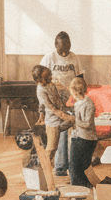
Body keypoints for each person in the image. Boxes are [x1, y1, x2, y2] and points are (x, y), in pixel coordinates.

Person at [40, 33, 83, 173]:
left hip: (71, 98)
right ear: (55, 45)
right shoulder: (49, 58)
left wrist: (81, 94)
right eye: (62, 46)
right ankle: (60, 165)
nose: (65, 50)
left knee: (72, 131)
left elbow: (79, 77)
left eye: (68, 45)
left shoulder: (74, 57)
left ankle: (71, 163)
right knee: (58, 131)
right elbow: (41, 82)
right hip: (55, 99)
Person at [34, 65, 74, 178]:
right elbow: (53, 109)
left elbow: (61, 95)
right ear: (37, 80)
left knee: (69, 142)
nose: (50, 79)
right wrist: (69, 118)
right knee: (51, 148)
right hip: (54, 121)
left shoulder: (50, 83)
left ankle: (64, 168)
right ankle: (41, 172)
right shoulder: (41, 90)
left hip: (62, 116)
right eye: (46, 78)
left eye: (50, 75)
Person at [67, 77, 98, 188]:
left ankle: (78, 187)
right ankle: (82, 186)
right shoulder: (78, 103)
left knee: (76, 167)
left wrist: (74, 120)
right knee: (77, 166)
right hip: (79, 137)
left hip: (86, 139)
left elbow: (87, 124)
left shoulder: (88, 104)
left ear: (75, 91)